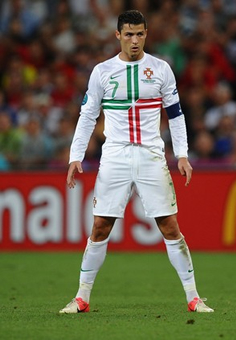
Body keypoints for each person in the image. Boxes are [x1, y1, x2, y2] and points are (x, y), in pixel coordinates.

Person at [59, 10, 213, 314]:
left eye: (140, 34)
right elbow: (88, 115)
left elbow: (177, 115)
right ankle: (82, 297)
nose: (134, 40)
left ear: (146, 34)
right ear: (117, 35)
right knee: (100, 226)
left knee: (169, 225)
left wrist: (181, 154)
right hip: (114, 155)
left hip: (151, 155)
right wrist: (75, 156)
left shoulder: (161, 69)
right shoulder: (102, 72)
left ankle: (194, 297)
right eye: (128, 34)